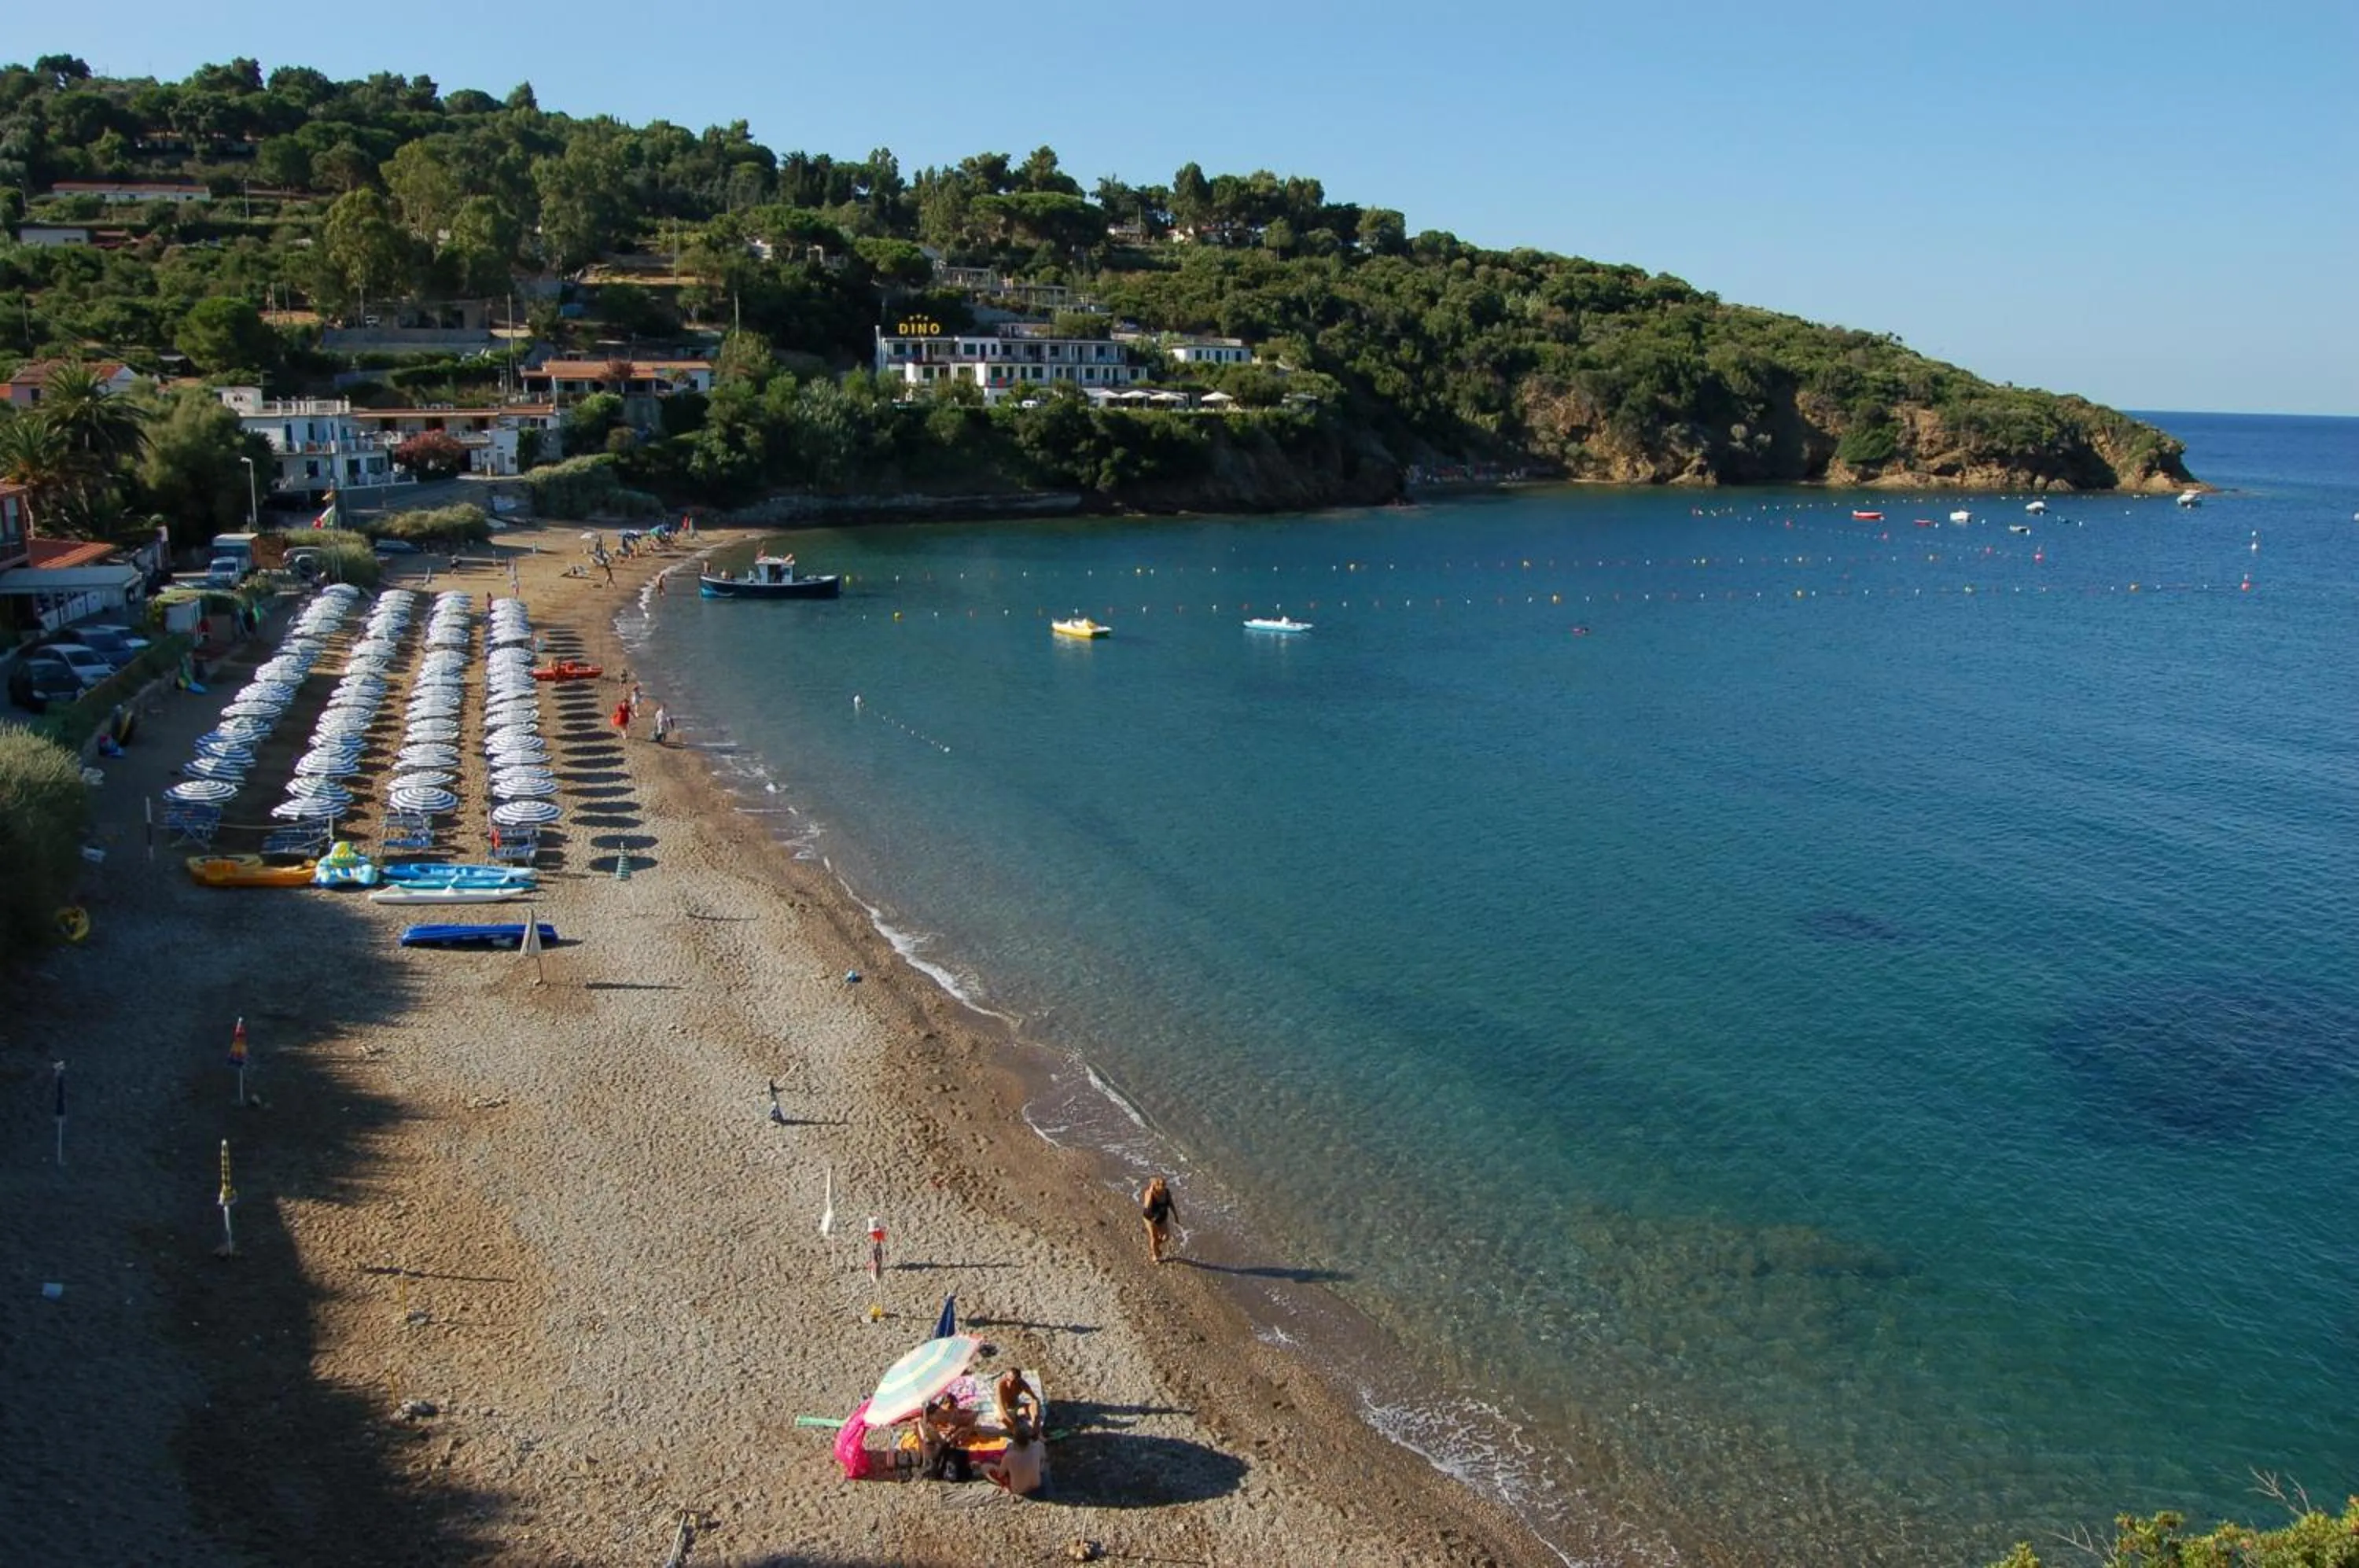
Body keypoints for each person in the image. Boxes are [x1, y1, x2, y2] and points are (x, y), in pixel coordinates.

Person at [1139, 1175, 1175, 1264]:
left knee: (1165, 1237)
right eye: (1162, 1185)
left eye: (1165, 1184)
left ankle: (1155, 1246)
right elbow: (1147, 1207)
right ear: (1156, 1186)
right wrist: (1151, 1194)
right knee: (1154, 1237)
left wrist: (1176, 1216)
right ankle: (1155, 1256)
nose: (1164, 1186)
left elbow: (1171, 1204)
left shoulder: (1167, 1192)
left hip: (1162, 1217)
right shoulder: (1149, 1193)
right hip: (1150, 1218)